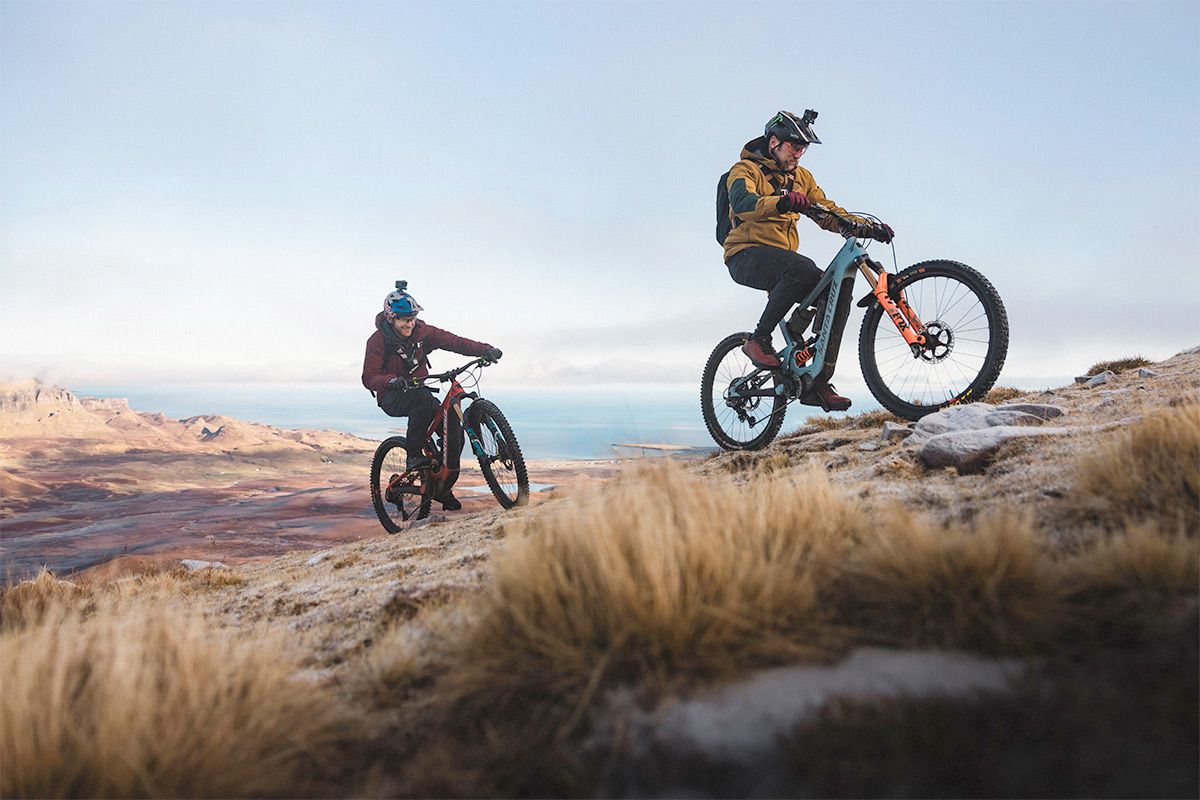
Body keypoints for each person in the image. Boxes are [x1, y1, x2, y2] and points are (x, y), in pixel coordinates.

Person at [722, 109, 894, 411]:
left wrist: (863, 226)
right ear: (774, 142)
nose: (799, 154)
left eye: (803, 149)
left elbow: (825, 210)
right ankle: (758, 339)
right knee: (802, 269)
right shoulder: (744, 170)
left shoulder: (801, 178)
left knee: (834, 290)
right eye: (795, 147)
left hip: (782, 260)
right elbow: (743, 203)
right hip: (744, 254)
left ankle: (814, 379)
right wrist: (782, 201)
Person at [362, 282, 501, 511]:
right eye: (404, 319)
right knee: (423, 402)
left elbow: (453, 341)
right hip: (392, 396)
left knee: (452, 428)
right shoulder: (377, 341)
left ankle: (441, 487)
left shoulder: (422, 333)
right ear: (391, 318)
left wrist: (484, 350)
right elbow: (369, 377)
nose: (410, 323)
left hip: (419, 392)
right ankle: (413, 456)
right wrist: (391, 381)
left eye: (413, 317)